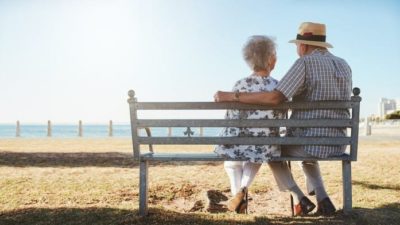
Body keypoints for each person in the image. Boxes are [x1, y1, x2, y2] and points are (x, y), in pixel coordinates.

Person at [214, 22, 352, 216]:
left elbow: (275, 97)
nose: (297, 49)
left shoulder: (305, 62)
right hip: (338, 143)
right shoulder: (343, 64)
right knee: (290, 152)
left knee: (272, 148)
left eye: (297, 45)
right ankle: (322, 199)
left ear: (303, 46)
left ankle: (299, 198)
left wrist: (232, 96)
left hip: (310, 143)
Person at [214, 35, 283, 213]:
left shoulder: (240, 85)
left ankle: (238, 197)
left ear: (249, 61)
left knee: (231, 163)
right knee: (257, 154)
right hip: (264, 144)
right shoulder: (277, 86)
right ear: (271, 60)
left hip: (237, 142)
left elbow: (232, 119)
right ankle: (243, 189)